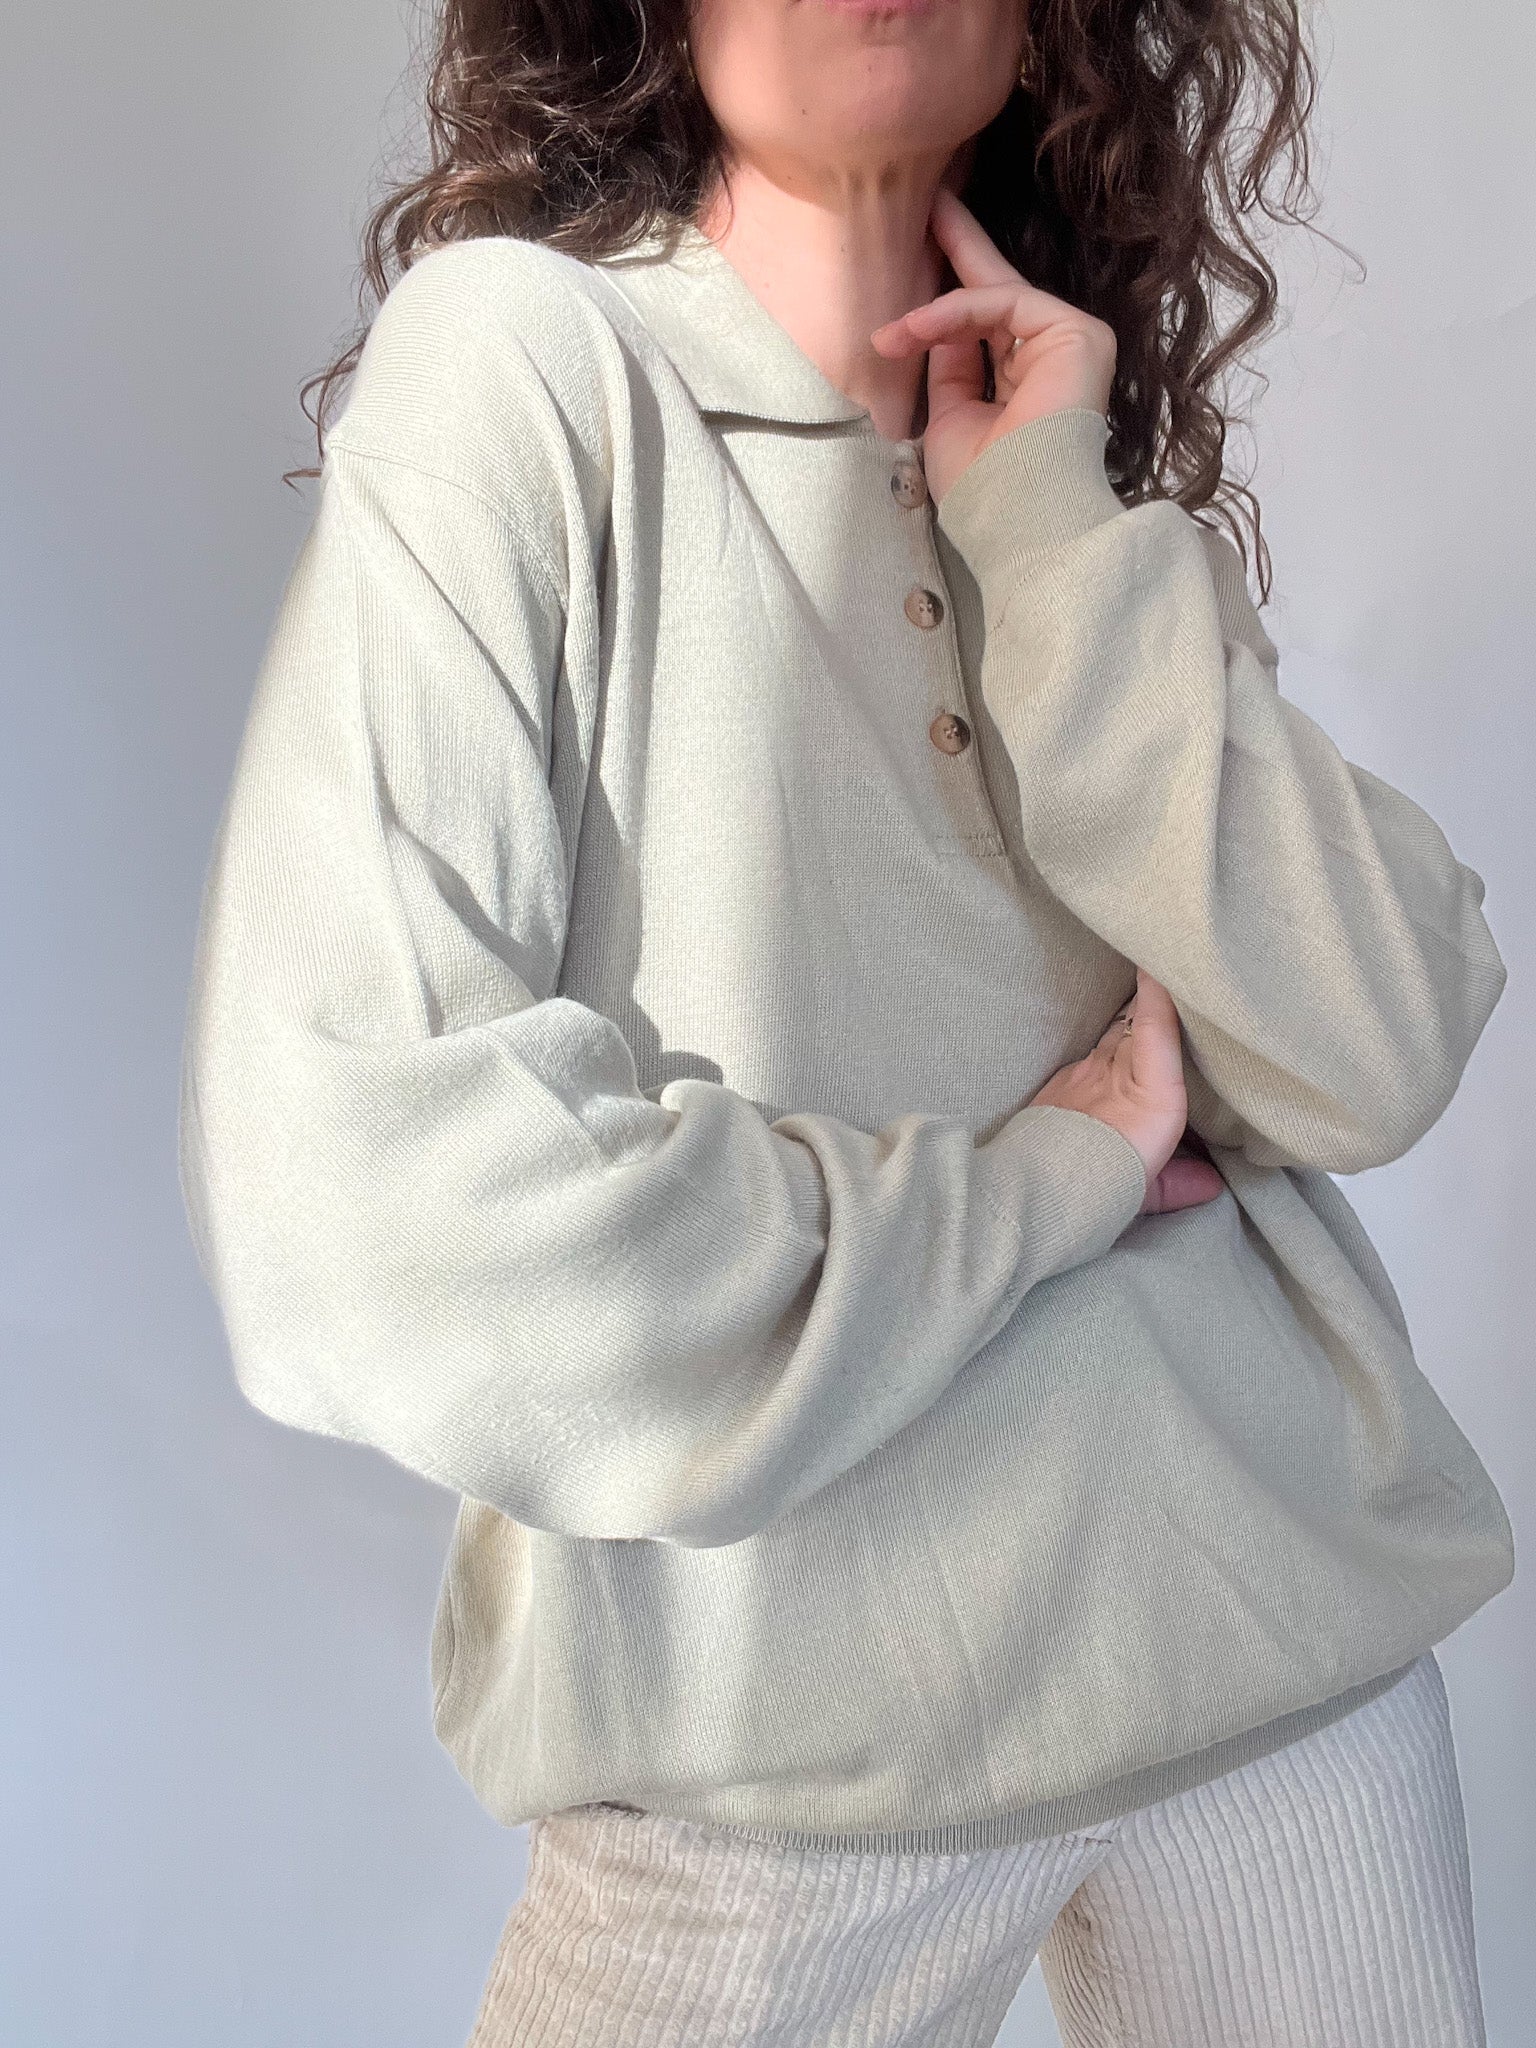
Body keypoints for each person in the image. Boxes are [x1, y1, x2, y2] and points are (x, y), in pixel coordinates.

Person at [177, 0, 1514, 2039]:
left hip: (1279, 1663)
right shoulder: (528, 365)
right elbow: (361, 1204)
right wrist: (1047, 1181)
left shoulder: (1058, 464)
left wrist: (1046, 516)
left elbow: (1376, 1035)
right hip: (770, 1751)